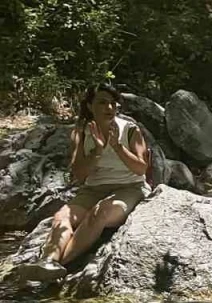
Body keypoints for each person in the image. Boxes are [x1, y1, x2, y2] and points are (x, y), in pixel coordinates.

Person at [11, 83, 150, 285]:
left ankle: (57, 266)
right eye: (102, 102)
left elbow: (141, 169)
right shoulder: (82, 132)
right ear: (90, 106)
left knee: (99, 213)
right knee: (61, 217)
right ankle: (47, 261)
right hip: (92, 189)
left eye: (113, 103)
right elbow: (79, 174)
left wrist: (117, 147)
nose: (109, 108)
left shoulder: (129, 130)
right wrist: (98, 151)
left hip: (129, 188)